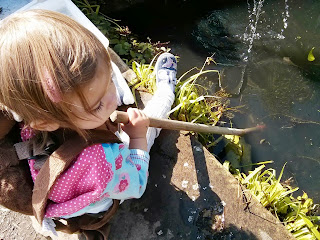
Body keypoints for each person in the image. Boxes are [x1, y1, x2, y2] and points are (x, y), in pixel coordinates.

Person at [0, 9, 177, 235]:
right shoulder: (103, 160)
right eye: (97, 105)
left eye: (110, 82)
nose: (114, 100)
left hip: (61, 196)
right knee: (148, 121)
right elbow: (137, 184)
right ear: (45, 122)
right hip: (99, 200)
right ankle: (165, 94)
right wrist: (137, 137)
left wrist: (97, 107)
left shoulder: (31, 123)